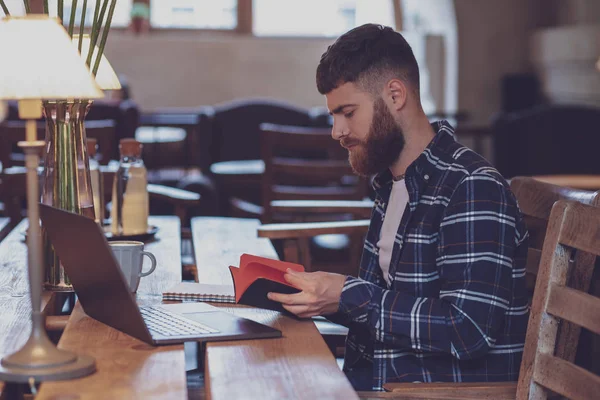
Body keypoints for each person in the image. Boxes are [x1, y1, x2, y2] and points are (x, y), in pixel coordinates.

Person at [267, 24, 530, 391]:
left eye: (346, 112)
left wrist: (346, 295)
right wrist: (323, 298)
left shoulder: (472, 186)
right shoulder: (391, 184)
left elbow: (467, 331)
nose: (336, 131)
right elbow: (385, 310)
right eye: (332, 116)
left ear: (394, 95)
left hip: (433, 392)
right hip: (373, 381)